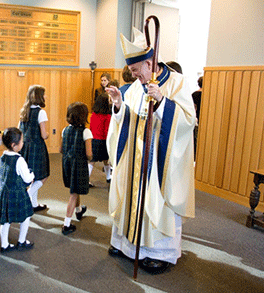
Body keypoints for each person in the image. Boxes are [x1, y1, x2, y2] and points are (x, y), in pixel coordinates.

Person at [105, 28, 196, 274]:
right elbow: (128, 120)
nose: (133, 75)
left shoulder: (178, 83)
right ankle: (126, 244)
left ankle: (158, 253)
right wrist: (118, 104)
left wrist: (163, 104)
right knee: (131, 196)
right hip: (135, 160)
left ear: (149, 63)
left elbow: (188, 121)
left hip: (158, 163)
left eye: (136, 70)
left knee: (156, 201)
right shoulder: (136, 87)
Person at [0, 128, 35, 252]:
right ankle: (22, 241)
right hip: (17, 194)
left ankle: (4, 245)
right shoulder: (19, 160)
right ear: (14, 145)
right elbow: (27, 178)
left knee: (5, 220)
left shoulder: (3, 156)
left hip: (4, 193)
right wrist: (32, 174)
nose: (23, 143)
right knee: (26, 216)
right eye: (21, 141)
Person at [61, 102, 92, 235]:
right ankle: (66, 224)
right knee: (73, 194)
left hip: (67, 163)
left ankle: (79, 210)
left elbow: (60, 149)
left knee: (75, 188)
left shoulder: (64, 130)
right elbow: (89, 154)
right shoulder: (86, 132)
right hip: (79, 164)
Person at [18, 85, 49, 212]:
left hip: (25, 147)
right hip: (37, 147)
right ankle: (27, 196)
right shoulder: (41, 112)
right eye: (44, 94)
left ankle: (34, 204)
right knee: (43, 176)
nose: (46, 96)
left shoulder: (24, 111)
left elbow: (19, 131)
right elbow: (43, 134)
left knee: (32, 176)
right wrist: (47, 135)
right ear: (39, 97)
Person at [88, 93, 112, 186]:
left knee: (91, 161)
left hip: (94, 140)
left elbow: (91, 127)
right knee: (106, 160)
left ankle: (86, 179)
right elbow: (106, 130)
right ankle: (108, 177)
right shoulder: (107, 116)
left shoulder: (93, 114)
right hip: (103, 141)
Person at [192, 76, 203, 158]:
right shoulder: (208, 95)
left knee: (196, 140)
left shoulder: (194, 94)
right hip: (205, 120)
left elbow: (193, 108)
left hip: (196, 120)